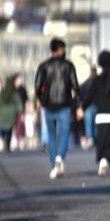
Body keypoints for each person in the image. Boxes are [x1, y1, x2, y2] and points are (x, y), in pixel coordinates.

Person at [35, 38, 80, 179]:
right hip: (65, 105)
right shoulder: (68, 66)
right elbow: (76, 87)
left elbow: (37, 87)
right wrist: (76, 103)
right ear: (59, 49)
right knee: (65, 134)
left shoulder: (43, 66)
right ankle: (60, 157)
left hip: (48, 106)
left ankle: (55, 165)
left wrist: (43, 100)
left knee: (52, 137)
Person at [0, 76, 24, 152]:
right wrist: (20, 111)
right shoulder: (14, 93)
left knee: (2, 128)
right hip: (11, 114)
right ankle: (8, 144)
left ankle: (2, 139)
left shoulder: (2, 93)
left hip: (2, 114)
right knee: (9, 130)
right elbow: (19, 104)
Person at [79, 66, 98, 149]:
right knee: (96, 124)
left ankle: (90, 139)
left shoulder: (86, 83)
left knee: (88, 124)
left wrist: (82, 107)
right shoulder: (99, 82)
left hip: (88, 106)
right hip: (97, 106)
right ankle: (96, 139)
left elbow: (80, 94)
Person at [13, 73, 28, 148]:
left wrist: (25, 111)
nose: (20, 81)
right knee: (15, 125)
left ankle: (21, 139)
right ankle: (16, 139)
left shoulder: (23, 89)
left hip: (21, 110)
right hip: (13, 110)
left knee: (21, 125)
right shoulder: (12, 89)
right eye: (19, 79)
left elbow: (26, 100)